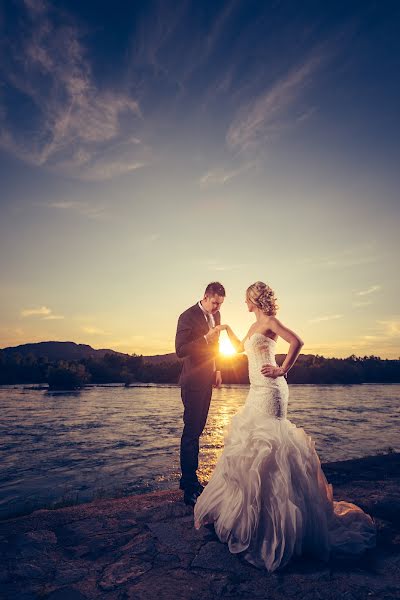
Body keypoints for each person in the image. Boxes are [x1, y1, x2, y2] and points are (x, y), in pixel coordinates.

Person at [193, 281, 377, 572]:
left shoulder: (270, 322)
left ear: (255, 299)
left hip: (271, 389)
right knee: (251, 443)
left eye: (246, 300)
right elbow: (242, 349)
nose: (245, 304)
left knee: (271, 445)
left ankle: (274, 526)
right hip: (256, 390)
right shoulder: (254, 326)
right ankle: (251, 518)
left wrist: (282, 369)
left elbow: (297, 342)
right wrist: (226, 330)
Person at [175, 282, 225, 507]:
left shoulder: (218, 314)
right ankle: (189, 486)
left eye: (220, 304)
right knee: (191, 432)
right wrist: (206, 337)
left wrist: (217, 369)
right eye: (214, 302)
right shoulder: (187, 316)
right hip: (192, 381)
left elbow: (217, 345)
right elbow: (181, 349)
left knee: (199, 430)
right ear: (205, 297)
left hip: (207, 379)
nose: (216, 307)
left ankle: (192, 482)